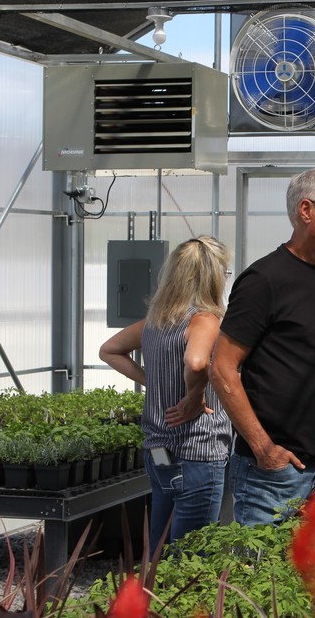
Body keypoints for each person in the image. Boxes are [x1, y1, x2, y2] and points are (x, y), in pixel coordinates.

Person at [209, 167, 315, 527]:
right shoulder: (264, 280)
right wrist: (262, 448)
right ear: (306, 210)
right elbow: (222, 367)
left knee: (305, 574)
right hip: (274, 472)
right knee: (262, 577)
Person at [99, 236, 233, 550]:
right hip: (198, 455)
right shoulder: (205, 320)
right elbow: (197, 361)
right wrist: (194, 398)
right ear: (212, 277)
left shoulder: (155, 323)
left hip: (159, 455)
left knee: (160, 547)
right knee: (189, 557)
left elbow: (109, 350)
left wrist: (152, 380)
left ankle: (152, 596)